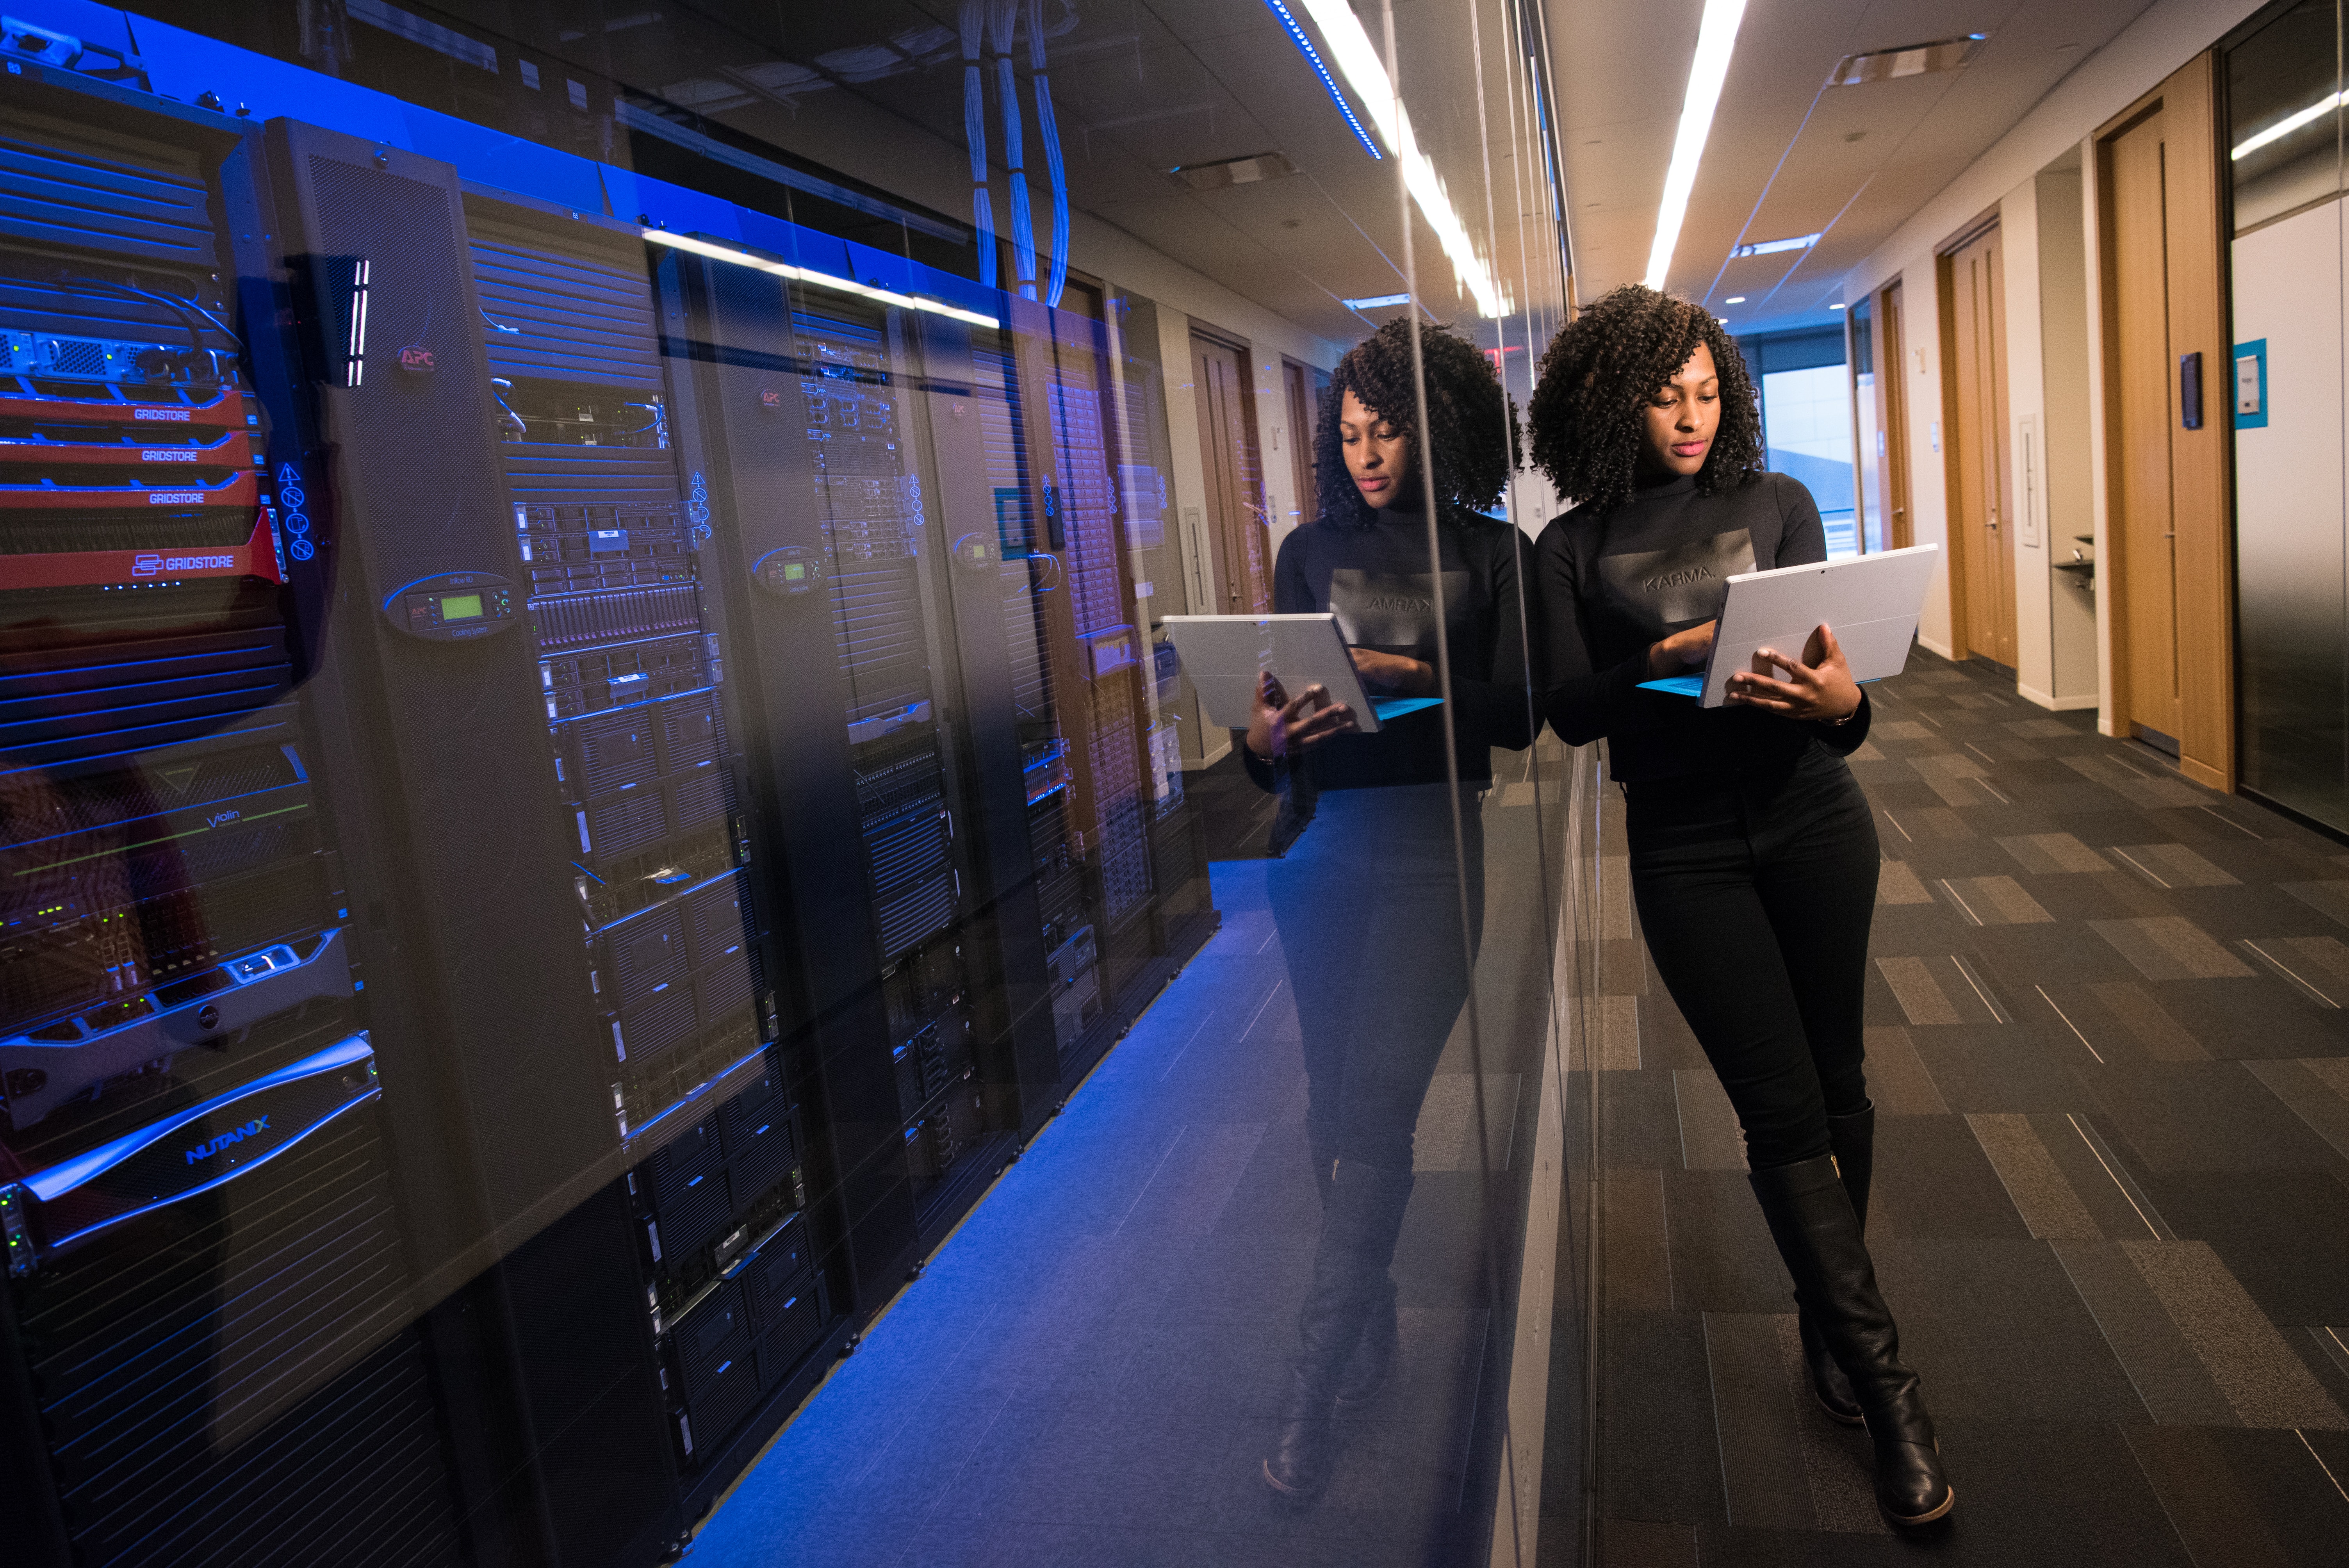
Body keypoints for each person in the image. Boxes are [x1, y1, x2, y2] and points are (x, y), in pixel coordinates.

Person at [1526, 285, 1953, 1527]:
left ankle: (1831, 1323)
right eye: (1667, 396)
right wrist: (1661, 660)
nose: (1694, 416)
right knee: (1778, 1114)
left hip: (1814, 816)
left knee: (1841, 1084)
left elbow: (1843, 690)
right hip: (1685, 847)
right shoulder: (1573, 544)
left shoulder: (1779, 505)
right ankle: (1889, 1394)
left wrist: (1846, 708)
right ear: (1615, 400)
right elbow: (1567, 707)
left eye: (1710, 392)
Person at [1239, 317, 1531, 1498]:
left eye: (1388, 428)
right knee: (1328, 1109)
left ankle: (1313, 1385)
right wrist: (1262, 740)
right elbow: (1273, 746)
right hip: (1323, 852)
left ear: (1438, 422)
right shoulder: (1306, 550)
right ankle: (1370, 1329)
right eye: (1350, 433)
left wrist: (1414, 677)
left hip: (1432, 861)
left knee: (1377, 1111)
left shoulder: (1491, 551)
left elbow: (1519, 719)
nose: (1366, 453)